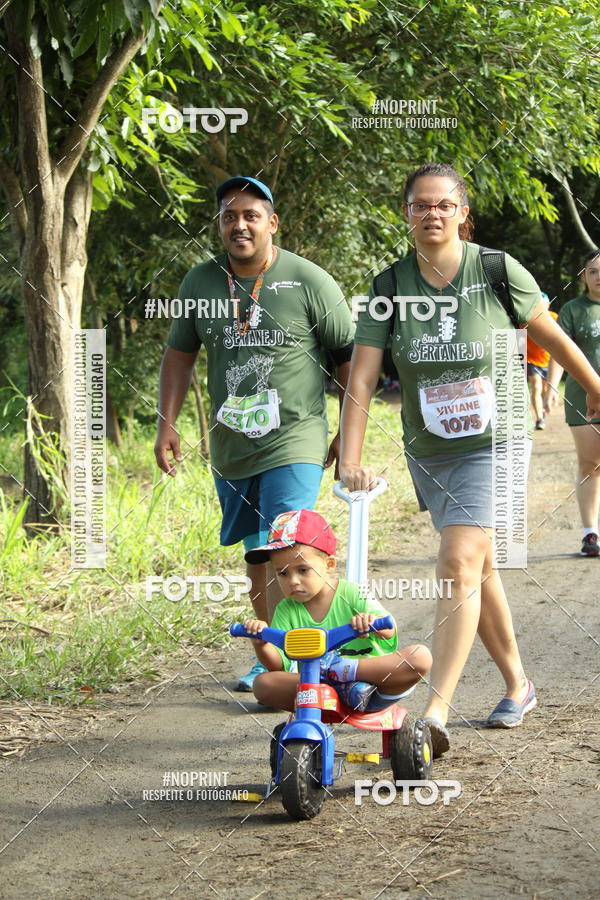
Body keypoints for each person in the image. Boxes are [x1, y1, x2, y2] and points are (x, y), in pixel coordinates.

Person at [339, 162, 600, 756]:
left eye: (443, 204)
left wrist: (594, 386)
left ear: (462, 213)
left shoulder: (496, 270)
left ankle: (435, 711)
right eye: (419, 205)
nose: (432, 213)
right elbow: (362, 378)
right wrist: (349, 459)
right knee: (475, 570)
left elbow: (555, 336)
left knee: (457, 561)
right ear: (406, 215)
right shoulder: (387, 289)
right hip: (430, 450)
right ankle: (518, 683)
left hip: (499, 441)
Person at [154, 176, 355, 690]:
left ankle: (318, 652)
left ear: (272, 222)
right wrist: (167, 423)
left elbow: (349, 358)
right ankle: (272, 655)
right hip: (232, 445)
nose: (239, 224)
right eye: (228, 216)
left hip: (297, 437)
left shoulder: (308, 280)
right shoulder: (199, 282)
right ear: (219, 224)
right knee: (258, 557)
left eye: (250, 215)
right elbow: (180, 353)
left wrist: (347, 434)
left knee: (288, 543)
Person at [242, 509, 432, 712]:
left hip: (373, 687)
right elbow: (279, 665)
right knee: (263, 684)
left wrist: (370, 621)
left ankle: (344, 672)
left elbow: (389, 630)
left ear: (329, 564)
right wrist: (261, 643)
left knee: (419, 657)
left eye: (303, 570)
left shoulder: (351, 593)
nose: (293, 581)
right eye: (283, 573)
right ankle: (339, 686)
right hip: (317, 689)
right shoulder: (287, 608)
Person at [545, 250, 600, 556]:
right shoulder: (573, 310)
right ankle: (590, 533)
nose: (599, 276)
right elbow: (558, 350)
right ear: (583, 277)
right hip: (582, 398)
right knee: (591, 464)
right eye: (592, 271)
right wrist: (552, 385)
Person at [526, 293, 558, 430]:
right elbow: (518, 337)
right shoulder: (526, 319)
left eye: (543, 304)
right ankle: (539, 419)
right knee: (537, 386)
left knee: (545, 389)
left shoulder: (555, 318)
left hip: (548, 360)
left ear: (548, 304)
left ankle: (543, 414)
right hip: (531, 359)